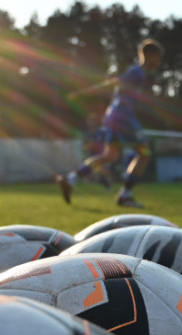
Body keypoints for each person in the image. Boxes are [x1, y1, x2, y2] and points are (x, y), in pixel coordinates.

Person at [57, 39, 163, 208]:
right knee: (144, 154)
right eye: (158, 58)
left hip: (114, 116)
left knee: (110, 156)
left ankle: (71, 179)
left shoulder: (137, 73)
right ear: (150, 55)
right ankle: (125, 195)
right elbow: (114, 83)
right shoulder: (137, 72)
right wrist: (85, 92)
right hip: (123, 117)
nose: (159, 62)